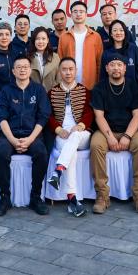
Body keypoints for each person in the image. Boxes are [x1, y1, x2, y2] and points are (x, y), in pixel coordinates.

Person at [90, 56, 138, 213]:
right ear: (106, 68)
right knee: (95, 145)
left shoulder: (133, 86)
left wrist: (127, 136)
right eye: (112, 65)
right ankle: (102, 196)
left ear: (125, 68)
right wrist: (110, 137)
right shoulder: (99, 88)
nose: (116, 68)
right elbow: (99, 116)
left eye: (119, 65)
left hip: (130, 130)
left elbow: (137, 116)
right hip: (106, 130)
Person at [0, 55, 51, 216]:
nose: (22, 70)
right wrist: (13, 140)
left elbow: (43, 117)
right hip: (10, 135)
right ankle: (5, 197)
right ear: (13, 71)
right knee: (1, 153)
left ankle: (36, 197)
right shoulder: (6, 90)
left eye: (25, 67)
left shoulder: (38, 90)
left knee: (41, 153)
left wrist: (30, 139)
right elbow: (2, 118)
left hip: (32, 135)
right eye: (18, 67)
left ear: (30, 69)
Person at [47, 58, 92, 217]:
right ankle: (72, 199)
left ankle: (58, 172)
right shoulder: (52, 92)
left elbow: (90, 113)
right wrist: (58, 129)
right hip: (62, 134)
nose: (68, 72)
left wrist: (80, 126)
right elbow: (48, 115)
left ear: (76, 71)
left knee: (75, 137)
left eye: (71, 69)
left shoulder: (85, 91)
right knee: (70, 152)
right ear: (59, 71)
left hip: (82, 134)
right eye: (64, 69)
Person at [58, 0, 103, 89]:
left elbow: (99, 62)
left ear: (86, 14)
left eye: (81, 11)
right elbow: (60, 61)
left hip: (91, 85)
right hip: (68, 85)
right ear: (71, 15)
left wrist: (98, 83)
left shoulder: (95, 36)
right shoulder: (64, 37)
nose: (78, 14)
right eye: (75, 12)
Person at [101, 19, 138, 85]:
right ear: (111, 34)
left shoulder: (133, 48)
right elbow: (103, 75)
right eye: (115, 30)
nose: (118, 33)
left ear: (125, 32)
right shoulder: (106, 53)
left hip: (132, 89)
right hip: (112, 89)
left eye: (121, 30)